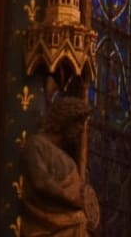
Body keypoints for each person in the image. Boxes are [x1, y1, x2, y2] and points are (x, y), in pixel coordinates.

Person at [20, 96, 99, 236]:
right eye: (77, 124)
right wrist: (71, 198)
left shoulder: (69, 161)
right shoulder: (36, 144)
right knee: (79, 224)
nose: (80, 131)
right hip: (45, 221)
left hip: (70, 220)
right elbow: (40, 181)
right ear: (65, 119)